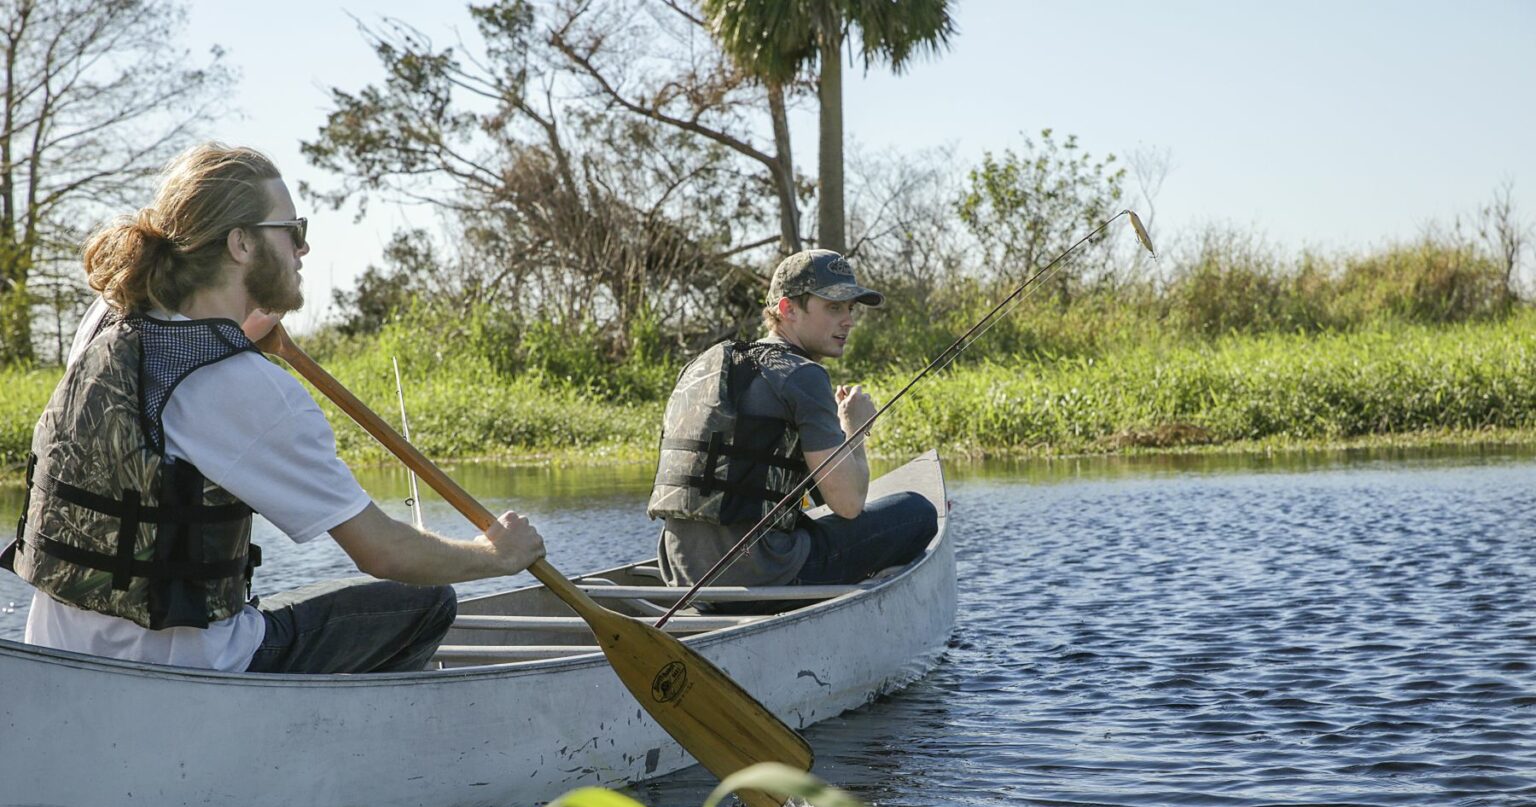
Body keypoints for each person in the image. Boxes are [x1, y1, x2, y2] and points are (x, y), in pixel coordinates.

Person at [0, 143, 545, 673]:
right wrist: (497, 555)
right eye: (292, 231)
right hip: (197, 671)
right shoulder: (248, 387)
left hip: (65, 658)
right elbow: (385, 553)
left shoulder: (105, 325)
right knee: (425, 602)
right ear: (241, 244)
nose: (302, 249)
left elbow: (188, 333)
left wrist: (241, 322)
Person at [646, 248, 937, 602]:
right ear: (787, 310)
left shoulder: (701, 367)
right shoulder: (803, 376)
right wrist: (855, 429)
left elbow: (810, 492)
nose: (848, 320)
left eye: (851, 309)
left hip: (682, 576)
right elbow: (847, 505)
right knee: (917, 513)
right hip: (765, 574)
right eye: (833, 307)